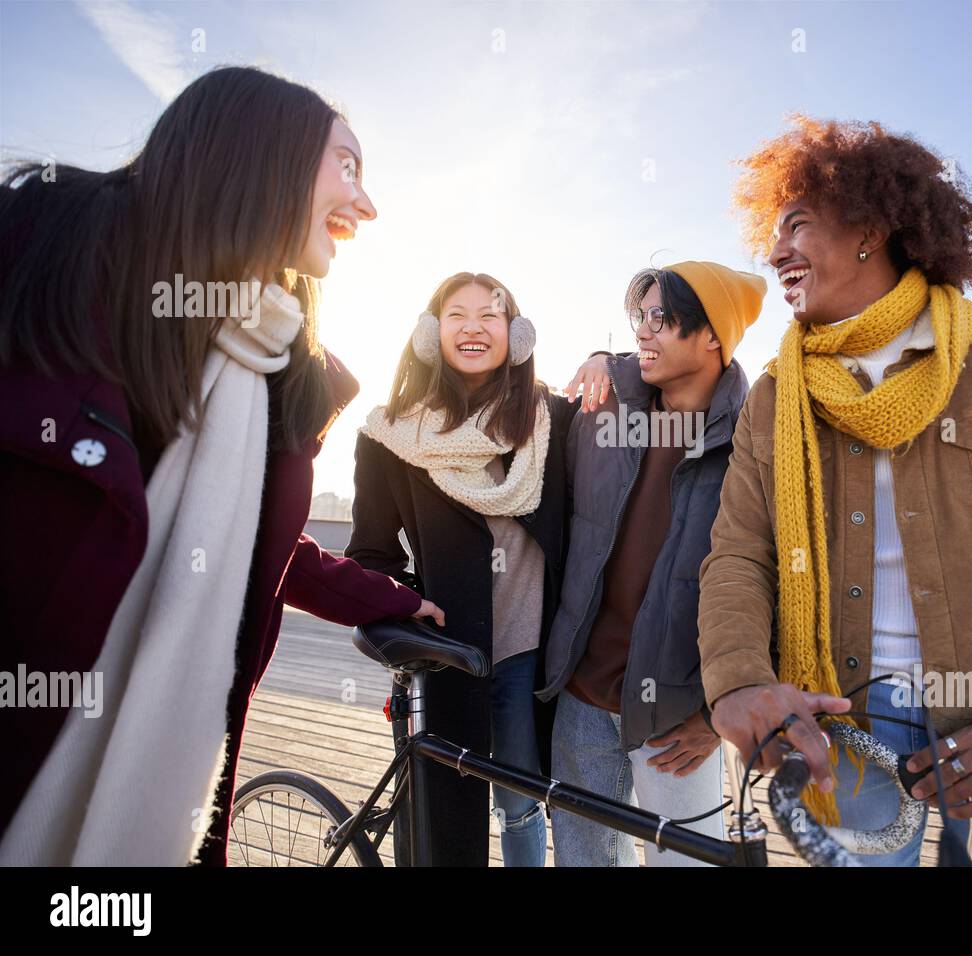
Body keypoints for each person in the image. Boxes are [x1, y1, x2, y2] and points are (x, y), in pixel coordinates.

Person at [0, 66, 439, 866]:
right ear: (259, 150)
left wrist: (392, 598)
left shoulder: (268, 362)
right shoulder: (28, 257)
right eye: (348, 166)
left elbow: (253, 550)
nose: (366, 205)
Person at [698, 115, 972, 865]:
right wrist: (737, 679)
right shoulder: (774, 398)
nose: (774, 253)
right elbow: (740, 555)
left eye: (796, 225)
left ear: (869, 228)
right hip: (843, 731)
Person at [347, 272, 578, 866]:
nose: (474, 327)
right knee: (444, 813)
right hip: (449, 653)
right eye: (457, 314)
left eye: (490, 315)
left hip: (529, 650)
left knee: (523, 799)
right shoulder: (391, 435)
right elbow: (372, 555)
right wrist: (407, 608)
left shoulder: (549, 420)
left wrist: (606, 356)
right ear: (431, 332)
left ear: (516, 334)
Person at [542, 261, 764, 865]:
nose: (643, 331)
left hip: (677, 717)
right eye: (638, 316)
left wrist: (715, 719)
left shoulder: (753, 444)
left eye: (661, 318)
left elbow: (780, 591)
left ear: (714, 334)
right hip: (582, 701)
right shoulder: (604, 411)